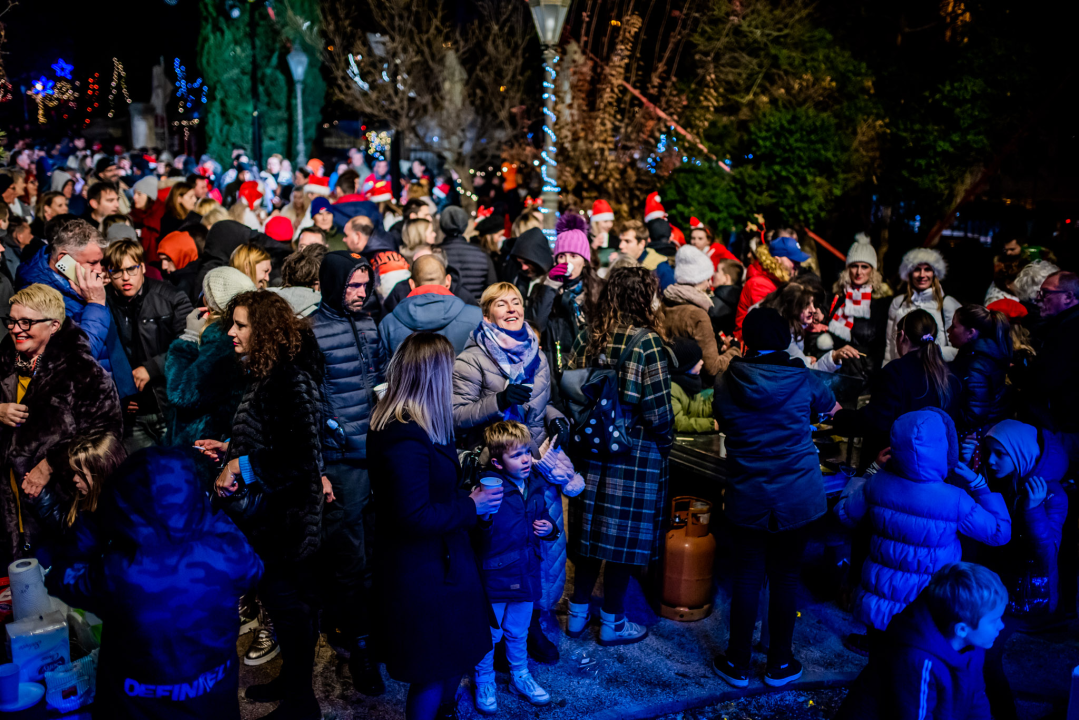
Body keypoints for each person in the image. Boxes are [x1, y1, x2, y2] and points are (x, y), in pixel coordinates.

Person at [49, 448, 262, 720]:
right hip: (212, 708)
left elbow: (63, 578)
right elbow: (253, 567)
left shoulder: (121, 571)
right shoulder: (226, 554)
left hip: (136, 711)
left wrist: (96, 521)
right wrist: (202, 510)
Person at [201, 290, 325, 720]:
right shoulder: (266, 373)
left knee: (292, 611)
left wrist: (240, 464)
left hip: (289, 522)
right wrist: (231, 449)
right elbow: (271, 441)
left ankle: (301, 704)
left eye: (240, 325)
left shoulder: (289, 378)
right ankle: (292, 682)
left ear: (265, 330)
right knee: (283, 607)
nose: (231, 332)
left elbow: (303, 455)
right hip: (274, 519)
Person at [368, 332, 500, 720]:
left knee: (456, 652)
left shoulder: (416, 423)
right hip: (424, 569)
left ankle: (446, 712)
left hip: (444, 560)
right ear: (432, 376)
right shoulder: (404, 436)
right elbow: (413, 516)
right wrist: (470, 505)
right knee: (432, 667)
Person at [710, 307, 838, 688]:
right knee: (785, 577)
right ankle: (780, 664)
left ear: (747, 339)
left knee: (747, 576)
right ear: (784, 339)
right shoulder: (805, 378)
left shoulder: (726, 380)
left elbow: (724, 421)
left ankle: (737, 663)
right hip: (797, 494)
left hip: (748, 492)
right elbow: (832, 410)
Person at [834, 408, 1012, 654]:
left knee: (878, 665)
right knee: (913, 666)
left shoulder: (878, 483)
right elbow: (999, 533)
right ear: (944, 447)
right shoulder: (956, 500)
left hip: (879, 603)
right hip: (927, 607)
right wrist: (979, 485)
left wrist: (871, 470)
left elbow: (844, 514)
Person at [566, 266, 673, 647]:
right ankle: (612, 621)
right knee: (622, 543)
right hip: (635, 453)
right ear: (644, 298)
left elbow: (572, 389)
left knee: (590, 536)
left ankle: (577, 615)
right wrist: (667, 443)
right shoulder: (648, 343)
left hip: (591, 449)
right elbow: (659, 411)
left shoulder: (589, 335)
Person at [306, 250, 387, 694]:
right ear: (333, 285)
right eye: (351, 286)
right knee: (348, 561)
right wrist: (318, 468)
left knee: (375, 554)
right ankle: (359, 649)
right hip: (340, 463)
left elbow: (379, 380)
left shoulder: (371, 323)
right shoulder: (312, 332)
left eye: (364, 285)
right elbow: (309, 407)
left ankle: (374, 638)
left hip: (373, 456)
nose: (359, 293)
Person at [0, 284, 123, 562]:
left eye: (26, 322)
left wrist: (51, 463)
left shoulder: (82, 372)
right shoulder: (6, 364)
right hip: (8, 515)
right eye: (12, 321)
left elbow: (106, 439)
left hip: (58, 511)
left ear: (54, 326)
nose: (16, 329)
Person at [971, 420, 1069, 720]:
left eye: (1000, 454)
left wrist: (1033, 509)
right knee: (974, 652)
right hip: (995, 582)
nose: (991, 460)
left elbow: (1046, 554)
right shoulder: (1000, 479)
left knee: (985, 656)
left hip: (1024, 594)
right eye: (988, 452)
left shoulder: (1052, 495)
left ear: (1021, 454)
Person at [835, 562, 1006, 720]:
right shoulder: (918, 662)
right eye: (994, 620)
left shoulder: (973, 645)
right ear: (961, 629)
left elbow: (976, 696)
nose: (1002, 625)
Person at [471, 421, 559, 713]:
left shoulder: (534, 483)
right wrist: (482, 519)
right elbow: (477, 535)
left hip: (526, 570)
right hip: (495, 575)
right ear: (497, 462)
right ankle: (484, 679)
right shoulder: (489, 489)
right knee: (490, 632)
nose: (525, 459)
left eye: (526, 452)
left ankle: (520, 675)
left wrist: (550, 529)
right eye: (515, 455)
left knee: (519, 630)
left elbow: (543, 515)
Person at [15, 218, 137, 398]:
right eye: (92, 263)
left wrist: (125, 389)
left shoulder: (82, 284)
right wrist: (95, 304)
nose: (99, 270)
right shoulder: (37, 297)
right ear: (63, 260)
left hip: (108, 396)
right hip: (82, 404)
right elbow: (80, 355)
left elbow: (109, 342)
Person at [103, 239, 193, 452]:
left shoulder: (171, 298)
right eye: (117, 271)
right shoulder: (103, 303)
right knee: (141, 478)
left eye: (131, 269)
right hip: (130, 413)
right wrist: (120, 393)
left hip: (167, 404)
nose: (125, 277)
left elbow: (190, 343)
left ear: (142, 267)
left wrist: (151, 368)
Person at [842, 309, 961, 462]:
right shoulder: (949, 374)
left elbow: (877, 422)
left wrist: (840, 416)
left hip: (896, 463)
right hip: (934, 464)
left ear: (902, 336)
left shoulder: (895, 372)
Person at [164, 267, 255, 448]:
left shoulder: (221, 341)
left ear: (210, 301)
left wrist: (188, 338)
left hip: (204, 443)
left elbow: (181, 393)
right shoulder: (235, 336)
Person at [529, 213, 604, 378]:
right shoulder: (543, 288)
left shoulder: (600, 289)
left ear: (584, 261)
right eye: (561, 256)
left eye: (574, 256)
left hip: (588, 367)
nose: (566, 261)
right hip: (555, 367)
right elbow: (537, 326)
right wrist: (550, 286)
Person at [663, 244, 740, 385]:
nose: (710, 284)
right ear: (697, 280)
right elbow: (713, 368)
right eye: (707, 279)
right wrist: (734, 350)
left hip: (669, 381)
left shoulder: (665, 302)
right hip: (694, 387)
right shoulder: (698, 315)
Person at [379, 254, 482, 356]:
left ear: (412, 284)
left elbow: (384, 369)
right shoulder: (477, 317)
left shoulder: (388, 324)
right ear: (448, 281)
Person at [1018, 270, 1079, 435]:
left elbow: (1044, 380)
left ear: (1068, 297)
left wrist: (1020, 373)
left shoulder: (1069, 330)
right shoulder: (1064, 325)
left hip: (1067, 426)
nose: (1038, 299)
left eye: (1045, 293)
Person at [826, 233, 892, 371]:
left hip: (868, 374)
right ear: (847, 268)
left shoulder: (882, 302)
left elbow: (884, 344)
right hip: (838, 370)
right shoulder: (836, 298)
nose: (858, 272)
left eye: (864, 266)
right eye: (854, 266)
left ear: (872, 270)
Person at [884, 248, 961, 364]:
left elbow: (957, 347)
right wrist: (887, 370)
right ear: (909, 273)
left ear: (934, 273)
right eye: (917, 269)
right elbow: (890, 342)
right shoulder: (898, 302)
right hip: (902, 373)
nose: (922, 275)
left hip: (933, 372)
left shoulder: (947, 303)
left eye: (927, 269)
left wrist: (929, 354)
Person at [948, 304, 1012, 443]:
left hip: (977, 439)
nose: (949, 331)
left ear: (971, 332)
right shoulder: (979, 356)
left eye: (954, 326)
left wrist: (948, 411)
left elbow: (975, 414)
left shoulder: (976, 365)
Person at [769, 283, 860, 373]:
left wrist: (805, 359)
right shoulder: (785, 338)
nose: (813, 310)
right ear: (792, 308)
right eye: (806, 305)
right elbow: (809, 373)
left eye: (812, 304)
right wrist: (834, 357)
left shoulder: (792, 328)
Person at [734, 234, 808, 339]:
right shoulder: (759, 285)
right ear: (778, 259)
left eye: (799, 262)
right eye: (794, 261)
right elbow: (767, 326)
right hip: (751, 346)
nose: (797, 265)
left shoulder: (777, 281)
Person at [439, 206, 497, 299]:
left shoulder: (435, 253)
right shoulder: (482, 254)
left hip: (445, 309)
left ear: (442, 226)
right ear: (465, 225)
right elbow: (492, 288)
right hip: (476, 309)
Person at [668, 337, 716, 434]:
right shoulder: (671, 389)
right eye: (696, 361)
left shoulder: (689, 384)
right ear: (684, 366)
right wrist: (711, 424)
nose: (702, 362)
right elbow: (678, 423)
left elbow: (696, 407)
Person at [614, 219, 673, 290]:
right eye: (620, 241)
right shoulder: (618, 263)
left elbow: (670, 298)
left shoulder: (660, 269)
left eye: (627, 241)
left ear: (642, 244)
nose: (621, 246)